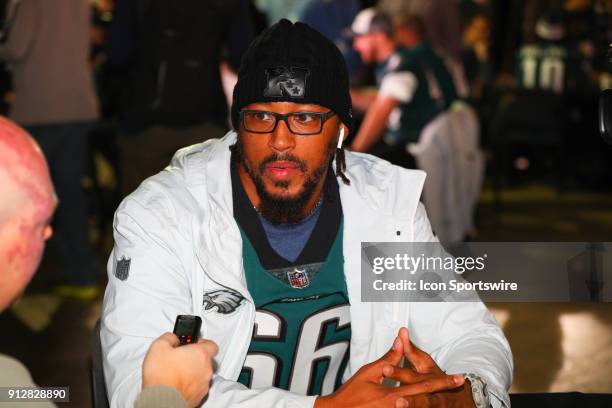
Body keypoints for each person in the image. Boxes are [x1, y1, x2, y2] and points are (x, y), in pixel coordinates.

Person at [101, 19, 512, 408]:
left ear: (340, 131)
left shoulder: (387, 207)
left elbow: (468, 331)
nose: (281, 140)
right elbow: (139, 390)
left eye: (305, 119)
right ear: (237, 126)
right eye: (261, 116)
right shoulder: (162, 216)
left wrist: (464, 393)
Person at [0, 116, 217, 408]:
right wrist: (168, 396)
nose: (49, 234)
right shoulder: (12, 389)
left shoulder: (12, 387)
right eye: (39, 224)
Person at [0, 0, 100, 300]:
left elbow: (17, 48)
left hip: (40, 107)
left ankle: (15, 278)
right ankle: (82, 273)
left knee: (24, 201)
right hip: (77, 103)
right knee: (70, 192)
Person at [107, 0, 256, 196]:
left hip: (145, 124)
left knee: (141, 216)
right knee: (205, 215)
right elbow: (245, 55)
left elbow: (118, 53)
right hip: (205, 120)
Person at [349, 9, 458, 167]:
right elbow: (380, 100)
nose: (356, 46)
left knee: (358, 172)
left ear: (379, 36)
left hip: (416, 151)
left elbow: (381, 110)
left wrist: (353, 152)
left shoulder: (401, 65)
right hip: (414, 147)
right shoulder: (395, 61)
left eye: (360, 37)